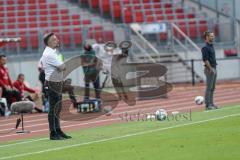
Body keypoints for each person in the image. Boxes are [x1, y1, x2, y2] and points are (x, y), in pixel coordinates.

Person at [40, 33, 71, 140]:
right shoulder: (49, 54)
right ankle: (53, 133)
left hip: (56, 83)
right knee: (53, 109)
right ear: (49, 42)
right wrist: (61, 66)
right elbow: (63, 66)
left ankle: (58, 130)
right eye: (55, 39)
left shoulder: (52, 52)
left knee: (57, 108)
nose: (57, 40)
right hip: (52, 83)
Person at [201, 31, 218, 110]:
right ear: (207, 37)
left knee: (213, 88)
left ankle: (211, 103)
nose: (213, 37)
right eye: (211, 36)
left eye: (213, 36)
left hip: (214, 68)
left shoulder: (211, 46)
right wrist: (211, 69)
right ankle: (208, 105)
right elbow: (205, 59)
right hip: (209, 69)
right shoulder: (205, 47)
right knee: (209, 88)